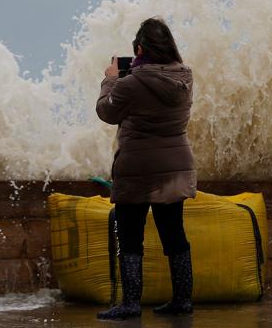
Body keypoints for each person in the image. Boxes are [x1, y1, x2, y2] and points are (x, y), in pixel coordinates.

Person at [95, 17, 197, 320]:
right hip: (176, 164)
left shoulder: (130, 83)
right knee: (173, 233)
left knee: (130, 235)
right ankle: (182, 300)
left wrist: (110, 79)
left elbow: (106, 112)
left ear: (140, 48)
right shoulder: (185, 77)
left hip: (138, 166)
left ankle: (130, 304)